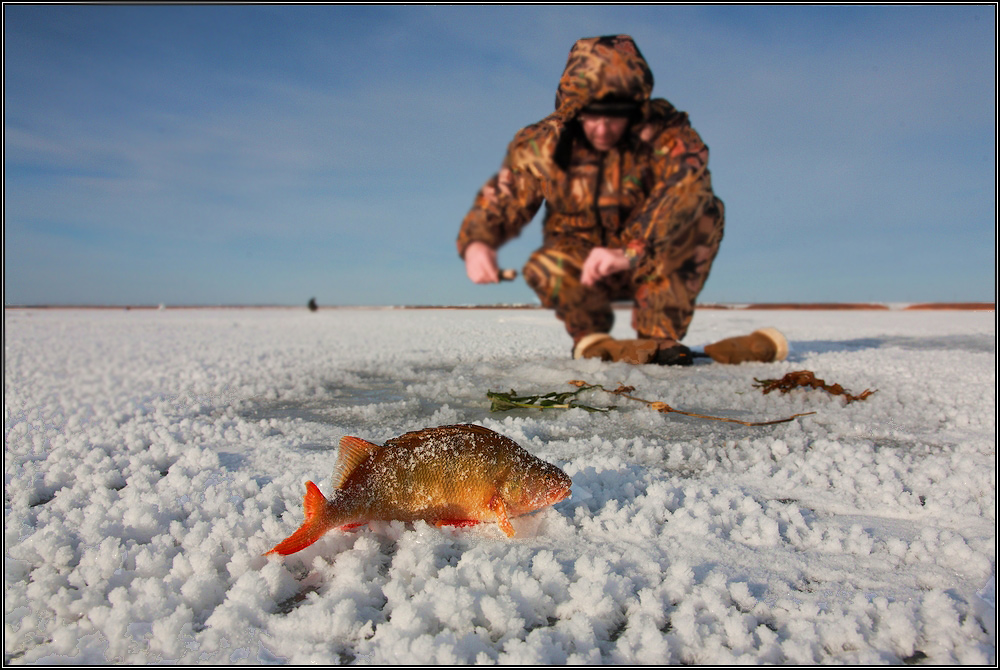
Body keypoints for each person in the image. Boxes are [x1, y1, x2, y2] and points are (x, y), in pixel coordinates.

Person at [457, 35, 787, 365]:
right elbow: (510, 190)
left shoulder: (668, 132)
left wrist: (630, 251)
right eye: (590, 116)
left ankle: (660, 336)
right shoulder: (548, 139)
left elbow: (684, 188)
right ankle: (591, 340)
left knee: (705, 212)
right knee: (545, 265)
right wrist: (478, 242)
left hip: (650, 258)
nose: (601, 129)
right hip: (584, 265)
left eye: (613, 115)